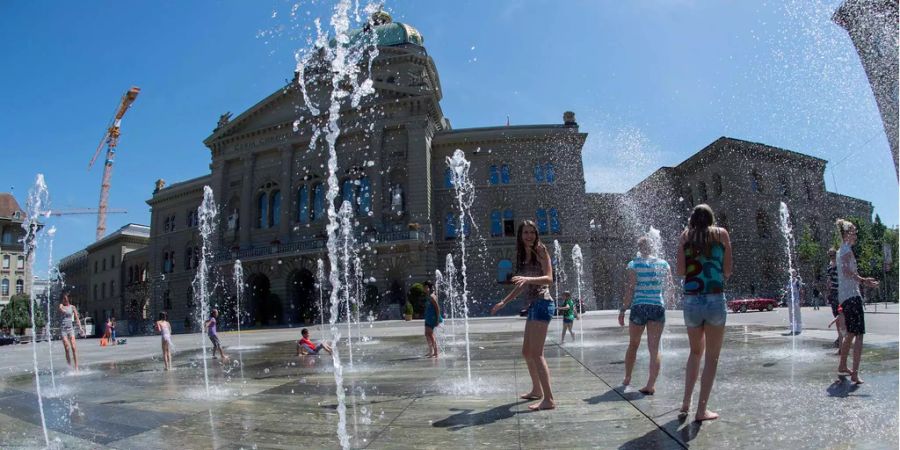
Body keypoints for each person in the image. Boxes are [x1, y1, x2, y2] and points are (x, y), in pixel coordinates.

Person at [491, 220, 556, 411]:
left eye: (532, 232)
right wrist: (505, 301)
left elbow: (549, 279)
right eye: (525, 233)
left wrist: (528, 278)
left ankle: (549, 399)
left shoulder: (541, 250)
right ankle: (537, 390)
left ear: (536, 234)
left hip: (543, 303)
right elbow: (521, 285)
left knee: (537, 354)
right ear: (520, 235)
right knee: (527, 352)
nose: (529, 236)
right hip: (533, 305)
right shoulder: (523, 254)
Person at [677, 204, 732, 422]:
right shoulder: (721, 234)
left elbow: (681, 271)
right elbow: (727, 271)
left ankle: (685, 403)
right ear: (711, 218)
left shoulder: (685, 236)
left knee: (695, 352)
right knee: (712, 357)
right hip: (714, 298)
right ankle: (701, 411)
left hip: (691, 301)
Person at [619, 236, 674, 395]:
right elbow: (670, 288)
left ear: (639, 247)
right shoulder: (664, 264)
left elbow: (630, 288)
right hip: (657, 306)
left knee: (633, 344)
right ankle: (650, 384)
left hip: (639, 306)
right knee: (654, 348)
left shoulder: (633, 264)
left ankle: (628, 377)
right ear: (653, 247)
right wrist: (668, 304)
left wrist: (623, 309)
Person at [835, 219, 878, 384]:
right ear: (846, 234)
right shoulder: (846, 250)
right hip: (852, 296)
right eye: (853, 231)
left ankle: (842, 365)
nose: (856, 233)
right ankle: (854, 373)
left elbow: (845, 271)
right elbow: (846, 271)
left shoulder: (842, 250)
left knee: (852, 333)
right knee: (859, 335)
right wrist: (863, 280)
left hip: (846, 297)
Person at [58, 292, 84, 371]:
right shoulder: (61, 305)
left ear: (69, 299)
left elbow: (77, 318)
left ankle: (76, 367)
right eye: (64, 299)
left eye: (66, 299)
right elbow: (60, 309)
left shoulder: (73, 307)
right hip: (63, 330)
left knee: (73, 347)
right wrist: (63, 310)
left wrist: (80, 328)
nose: (65, 300)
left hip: (70, 329)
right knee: (67, 347)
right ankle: (69, 366)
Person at [826, 248, 845, 351]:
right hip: (833, 293)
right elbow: (829, 281)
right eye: (830, 255)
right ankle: (840, 337)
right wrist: (828, 292)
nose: (832, 257)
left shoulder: (840, 265)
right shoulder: (829, 267)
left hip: (841, 293)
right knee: (836, 317)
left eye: (833, 255)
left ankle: (842, 340)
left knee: (840, 316)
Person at [422, 280, 442, 358]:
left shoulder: (432, 296)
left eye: (424, 287)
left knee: (430, 334)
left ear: (427, 287)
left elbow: (437, 308)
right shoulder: (428, 295)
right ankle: (431, 351)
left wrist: (437, 319)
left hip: (432, 318)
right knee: (427, 334)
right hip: (428, 317)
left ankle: (435, 352)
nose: (423, 289)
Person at [787, 270, 803, 335]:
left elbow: (801, 290)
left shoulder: (797, 281)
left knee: (797, 315)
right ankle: (792, 329)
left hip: (796, 300)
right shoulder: (789, 281)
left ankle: (798, 329)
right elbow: (788, 290)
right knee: (791, 315)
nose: (792, 274)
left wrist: (801, 300)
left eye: (793, 273)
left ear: (795, 274)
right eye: (791, 273)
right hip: (790, 300)